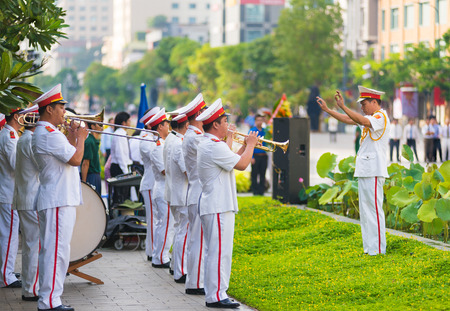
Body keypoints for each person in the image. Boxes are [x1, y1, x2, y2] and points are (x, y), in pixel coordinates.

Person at [32, 84, 88, 311]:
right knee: (56, 253)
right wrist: (81, 138)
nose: (64, 112)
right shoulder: (48, 134)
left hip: (59, 198)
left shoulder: (51, 133)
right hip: (57, 200)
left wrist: (74, 137)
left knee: (57, 252)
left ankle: (51, 299)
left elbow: (69, 157)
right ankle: (49, 301)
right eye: (61, 108)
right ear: (49, 110)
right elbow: (75, 160)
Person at [197, 98, 258, 308]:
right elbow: (241, 165)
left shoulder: (211, 144)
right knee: (220, 252)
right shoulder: (213, 145)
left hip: (215, 205)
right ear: (215, 124)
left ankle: (215, 293)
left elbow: (232, 160)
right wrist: (250, 145)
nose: (227, 125)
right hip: (218, 206)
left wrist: (244, 147)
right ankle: (216, 295)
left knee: (216, 251)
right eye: (224, 121)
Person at [317, 86, 390, 256]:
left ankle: (378, 250)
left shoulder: (380, 116)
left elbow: (361, 121)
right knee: (365, 211)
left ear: (374, 102)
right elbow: (348, 119)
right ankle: (370, 249)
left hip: (373, 169)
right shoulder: (370, 117)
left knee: (373, 210)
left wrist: (343, 106)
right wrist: (328, 110)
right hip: (366, 169)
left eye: (364, 104)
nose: (362, 107)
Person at [12, 105, 40, 300]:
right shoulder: (30, 141)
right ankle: (32, 289)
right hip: (31, 199)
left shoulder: (23, 139)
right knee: (34, 246)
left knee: (30, 246)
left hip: (24, 197)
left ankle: (29, 288)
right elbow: (43, 166)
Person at [181, 93, 207, 295]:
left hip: (195, 190)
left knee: (196, 238)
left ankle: (195, 280)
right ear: (198, 114)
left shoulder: (192, 135)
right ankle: (195, 282)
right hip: (198, 190)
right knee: (197, 240)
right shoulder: (194, 137)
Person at [147, 108, 174, 269]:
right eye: (166, 124)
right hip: (162, 189)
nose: (169, 127)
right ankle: (161, 257)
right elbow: (165, 171)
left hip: (163, 189)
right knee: (165, 225)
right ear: (159, 127)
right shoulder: (158, 146)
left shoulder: (163, 144)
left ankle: (160, 255)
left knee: (163, 224)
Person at [0, 107, 22, 289]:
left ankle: (6, 271)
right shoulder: (10, 137)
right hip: (9, 192)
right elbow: (16, 166)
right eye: (22, 115)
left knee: (8, 234)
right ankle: (6, 276)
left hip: (8, 191)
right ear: (16, 116)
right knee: (9, 235)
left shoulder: (10, 134)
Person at [167, 113, 189, 283]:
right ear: (186, 125)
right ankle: (181, 271)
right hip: (181, 193)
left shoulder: (170, 139)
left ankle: (175, 265)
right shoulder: (178, 143)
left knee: (178, 229)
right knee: (183, 231)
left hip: (174, 191)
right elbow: (187, 171)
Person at [139, 107, 161, 262]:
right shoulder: (146, 137)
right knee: (153, 219)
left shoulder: (153, 137)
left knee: (157, 219)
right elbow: (156, 155)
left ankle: (154, 249)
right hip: (150, 183)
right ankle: (152, 251)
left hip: (155, 183)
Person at [110, 112, 132, 204]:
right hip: (119, 167)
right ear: (123, 123)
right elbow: (121, 155)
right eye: (129, 121)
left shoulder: (122, 133)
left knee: (124, 194)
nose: (130, 123)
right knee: (121, 196)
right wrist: (126, 172)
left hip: (121, 166)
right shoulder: (119, 134)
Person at [81, 121, 103, 195]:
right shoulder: (90, 141)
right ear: (93, 127)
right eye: (99, 124)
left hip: (95, 175)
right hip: (91, 176)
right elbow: (85, 163)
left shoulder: (94, 140)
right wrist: (84, 183)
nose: (102, 127)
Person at [249, 114, 267, 195]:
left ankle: (261, 191)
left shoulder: (265, 131)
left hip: (264, 156)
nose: (259, 122)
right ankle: (255, 191)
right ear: (255, 121)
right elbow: (249, 145)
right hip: (255, 156)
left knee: (263, 174)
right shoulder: (252, 131)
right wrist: (251, 157)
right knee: (254, 174)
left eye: (261, 120)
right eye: (258, 120)